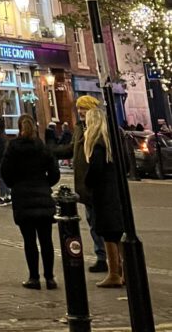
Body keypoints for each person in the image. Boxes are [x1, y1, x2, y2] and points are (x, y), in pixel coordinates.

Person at [0, 114, 60, 289]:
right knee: (46, 240)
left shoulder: (13, 147)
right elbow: (55, 172)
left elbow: (5, 172)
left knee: (29, 241)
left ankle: (34, 277)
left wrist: (15, 185)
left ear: (19, 128)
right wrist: (45, 184)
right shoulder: (41, 147)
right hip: (42, 196)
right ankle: (49, 277)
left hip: (23, 198)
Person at [54, 95, 107, 273]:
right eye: (80, 109)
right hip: (85, 185)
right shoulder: (78, 128)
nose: (81, 112)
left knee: (103, 223)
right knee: (93, 221)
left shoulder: (99, 130)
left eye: (84, 109)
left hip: (97, 185)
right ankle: (103, 257)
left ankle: (107, 258)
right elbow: (71, 149)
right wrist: (50, 152)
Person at [84, 105, 124, 288]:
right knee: (118, 232)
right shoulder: (113, 142)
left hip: (104, 195)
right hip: (117, 191)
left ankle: (114, 273)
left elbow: (95, 170)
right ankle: (124, 271)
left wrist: (88, 182)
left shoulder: (98, 143)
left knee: (108, 234)